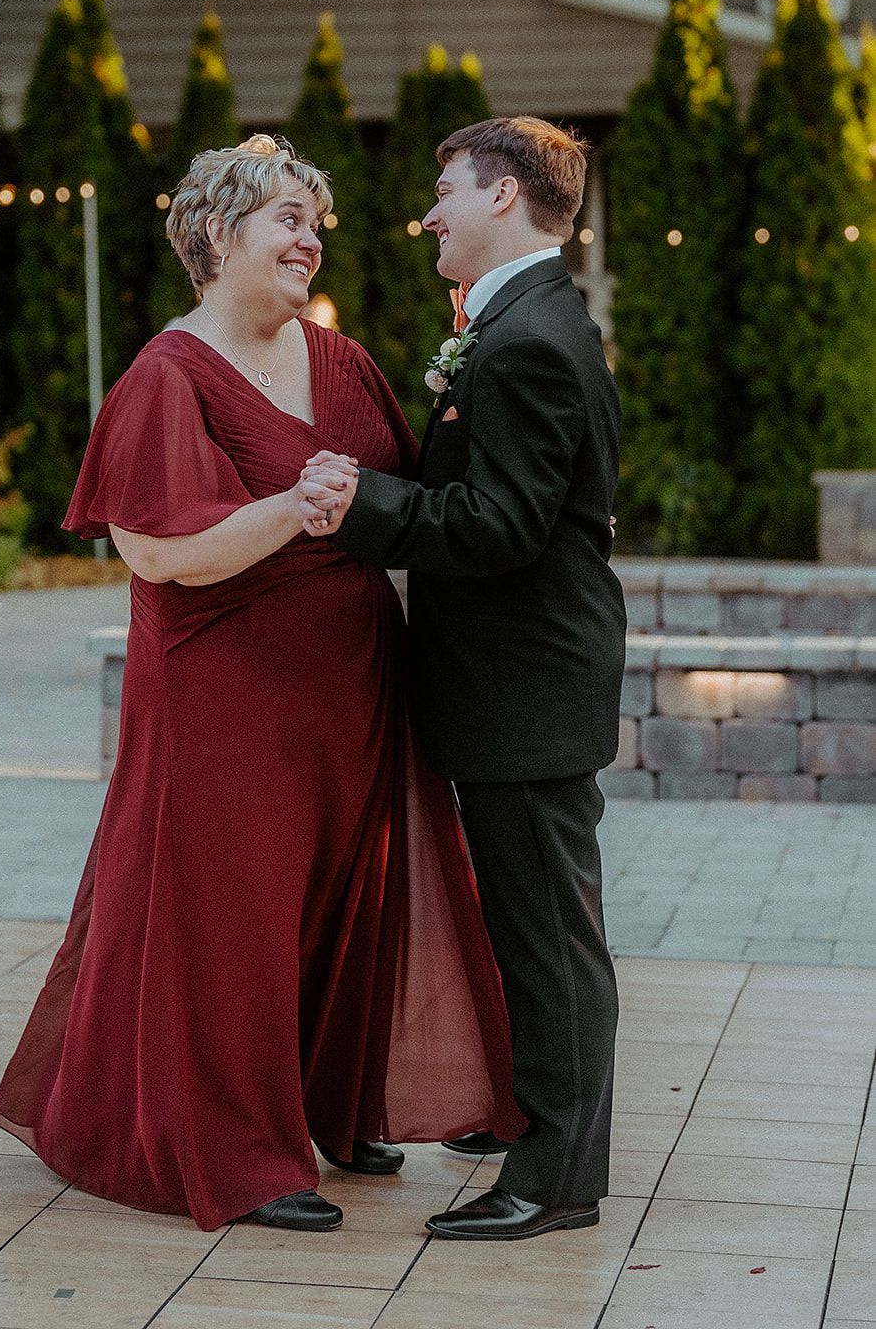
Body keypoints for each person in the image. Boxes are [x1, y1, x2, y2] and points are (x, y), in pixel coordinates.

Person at [0, 135, 523, 1234]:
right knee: (237, 910)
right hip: (224, 695)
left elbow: (413, 494)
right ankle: (237, 1146)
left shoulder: (345, 361)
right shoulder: (164, 376)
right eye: (286, 217)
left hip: (351, 685)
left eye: (311, 221)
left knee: (341, 895)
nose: (308, 238)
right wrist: (297, 506)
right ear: (217, 236)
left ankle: (330, 1099)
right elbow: (155, 552)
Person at [303, 116, 626, 1242]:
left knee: (547, 940)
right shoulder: (518, 321)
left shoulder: (530, 337)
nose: (429, 212)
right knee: (538, 933)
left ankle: (556, 1180)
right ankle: (548, 1148)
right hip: (512, 689)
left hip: (524, 691)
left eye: (444, 188)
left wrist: (361, 506)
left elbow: (498, 526)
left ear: (501, 197)